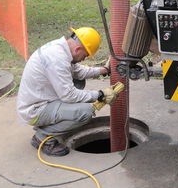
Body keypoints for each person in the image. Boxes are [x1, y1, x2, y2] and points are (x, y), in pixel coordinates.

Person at [16, 27, 118, 156]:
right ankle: (42, 137)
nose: (84, 59)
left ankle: (49, 125)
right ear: (77, 49)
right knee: (85, 112)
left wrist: (102, 70)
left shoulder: (61, 48)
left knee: (78, 82)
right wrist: (100, 95)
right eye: (85, 55)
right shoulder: (57, 59)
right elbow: (69, 96)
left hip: (43, 99)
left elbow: (77, 71)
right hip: (35, 110)